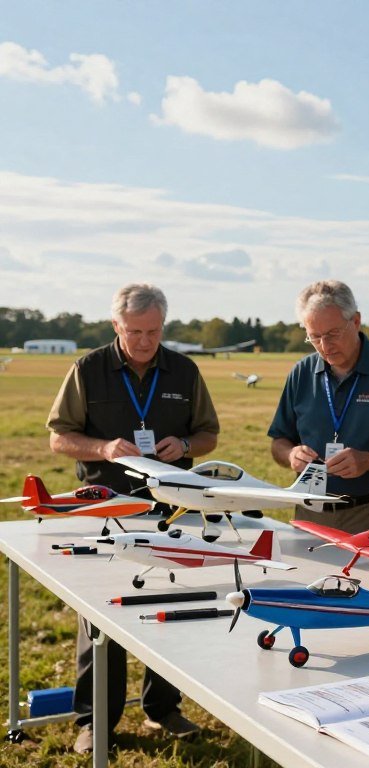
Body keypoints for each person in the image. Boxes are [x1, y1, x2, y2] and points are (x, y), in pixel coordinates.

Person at [46, 283, 220, 753]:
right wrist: (101, 447)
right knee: (99, 615)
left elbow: (208, 434)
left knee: (169, 605)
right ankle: (95, 722)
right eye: (135, 332)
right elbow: (59, 437)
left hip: (169, 511)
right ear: (116, 327)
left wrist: (184, 447)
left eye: (154, 331)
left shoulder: (184, 370)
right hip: (104, 510)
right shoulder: (88, 369)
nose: (145, 341)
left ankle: (163, 708)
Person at [269, 280, 369, 535]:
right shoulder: (301, 373)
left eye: (333, 334)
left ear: (356, 321)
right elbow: (279, 441)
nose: (325, 345)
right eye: (314, 337)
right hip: (311, 514)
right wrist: (291, 455)